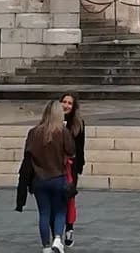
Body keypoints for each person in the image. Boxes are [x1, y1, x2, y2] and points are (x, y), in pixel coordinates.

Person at [15, 99, 76, 253]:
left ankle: (46, 246)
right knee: (60, 211)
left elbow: (28, 155)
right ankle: (57, 238)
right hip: (58, 177)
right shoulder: (62, 132)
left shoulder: (33, 132)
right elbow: (71, 151)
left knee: (44, 212)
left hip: (39, 179)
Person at [60, 92, 85, 247]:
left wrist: (79, 166)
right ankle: (57, 232)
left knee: (69, 198)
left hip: (71, 166)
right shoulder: (53, 121)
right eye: (64, 102)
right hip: (55, 165)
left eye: (70, 103)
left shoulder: (78, 123)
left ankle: (69, 228)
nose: (66, 105)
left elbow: (80, 147)